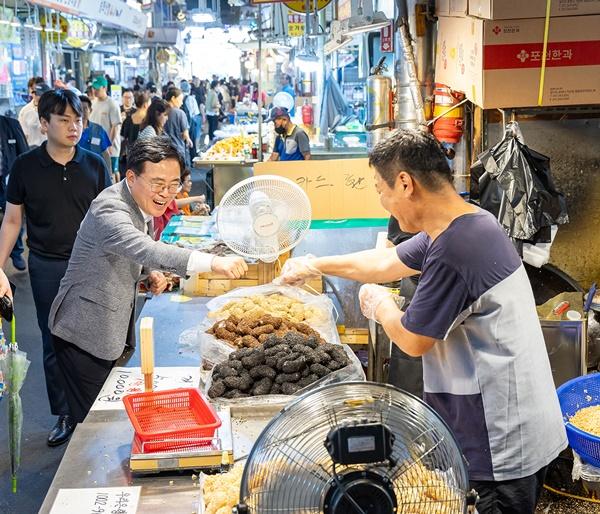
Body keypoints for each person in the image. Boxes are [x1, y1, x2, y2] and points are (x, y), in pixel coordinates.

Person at [277, 128, 567, 514]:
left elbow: (413, 340)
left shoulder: (455, 248)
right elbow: (386, 262)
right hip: (510, 419)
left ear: (405, 182)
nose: (385, 204)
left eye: (382, 191)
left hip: (497, 440)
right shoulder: (469, 221)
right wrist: (312, 264)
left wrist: (381, 304)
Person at [49, 136, 248, 423]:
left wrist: (149, 272)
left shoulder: (142, 203)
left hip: (112, 326)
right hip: (83, 332)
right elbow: (144, 247)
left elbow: (132, 251)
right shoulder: (109, 208)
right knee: (95, 424)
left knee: (109, 411)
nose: (166, 193)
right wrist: (213, 262)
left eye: (173, 184)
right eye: (157, 184)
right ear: (131, 177)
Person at [0, 89, 111, 446]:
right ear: (44, 123)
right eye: (64, 119)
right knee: (54, 341)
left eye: (78, 119)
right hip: (47, 266)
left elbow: (110, 219)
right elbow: (13, 221)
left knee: (97, 337)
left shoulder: (95, 164)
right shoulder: (25, 167)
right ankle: (64, 413)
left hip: (93, 264)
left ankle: (96, 409)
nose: (73, 126)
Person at [0, 114, 28, 270]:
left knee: (12, 215)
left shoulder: (10, 124)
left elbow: (23, 154)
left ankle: (16, 252)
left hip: (8, 179)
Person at [90, 75, 121, 182]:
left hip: (110, 147)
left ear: (104, 88)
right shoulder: (93, 103)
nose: (94, 91)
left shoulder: (112, 104)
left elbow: (115, 126)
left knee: (112, 172)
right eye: (93, 88)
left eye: (97, 88)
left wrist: (109, 145)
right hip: (96, 146)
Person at [164, 87, 193, 166]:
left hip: (163, 152)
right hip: (177, 150)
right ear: (173, 98)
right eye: (180, 100)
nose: (182, 103)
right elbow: (185, 135)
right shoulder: (180, 113)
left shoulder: (160, 111)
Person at [78, 95, 112, 162]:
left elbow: (106, 154)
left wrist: (109, 172)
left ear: (90, 110)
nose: (82, 112)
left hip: (95, 169)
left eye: (85, 108)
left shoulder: (98, 130)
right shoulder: (72, 130)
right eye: (79, 109)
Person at [18, 81, 50, 148]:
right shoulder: (25, 111)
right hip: (32, 148)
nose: (36, 96)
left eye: (40, 94)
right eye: (35, 93)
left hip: (51, 149)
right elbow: (22, 135)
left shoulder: (54, 109)